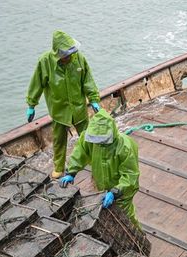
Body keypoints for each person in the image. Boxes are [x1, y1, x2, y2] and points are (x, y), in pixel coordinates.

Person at [26, 30, 101, 179]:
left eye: (71, 53)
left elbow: (87, 80)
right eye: (66, 55)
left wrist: (93, 99)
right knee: (59, 140)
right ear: (58, 53)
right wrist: (31, 104)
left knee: (88, 137)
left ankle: (95, 163)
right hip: (59, 110)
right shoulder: (45, 61)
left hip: (78, 108)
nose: (69, 57)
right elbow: (37, 83)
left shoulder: (78, 58)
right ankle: (59, 167)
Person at [59, 109, 141, 228]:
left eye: (103, 140)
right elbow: (79, 153)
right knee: (106, 214)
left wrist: (115, 192)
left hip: (122, 190)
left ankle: (137, 237)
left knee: (126, 216)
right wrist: (71, 172)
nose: (99, 143)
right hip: (100, 183)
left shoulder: (125, 146)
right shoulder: (89, 138)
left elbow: (130, 175)